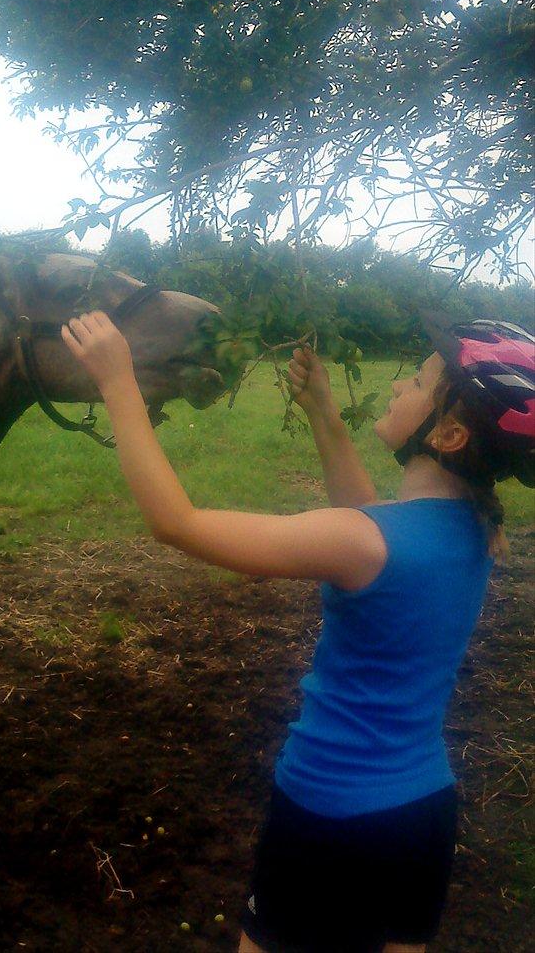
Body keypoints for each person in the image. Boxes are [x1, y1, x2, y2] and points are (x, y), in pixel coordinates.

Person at [60, 309, 534, 953]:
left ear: (448, 433)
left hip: (328, 813)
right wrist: (324, 415)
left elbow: (177, 523)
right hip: (421, 813)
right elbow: (370, 526)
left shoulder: (365, 541)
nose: (397, 387)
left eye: (417, 384)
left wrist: (118, 380)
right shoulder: (474, 529)